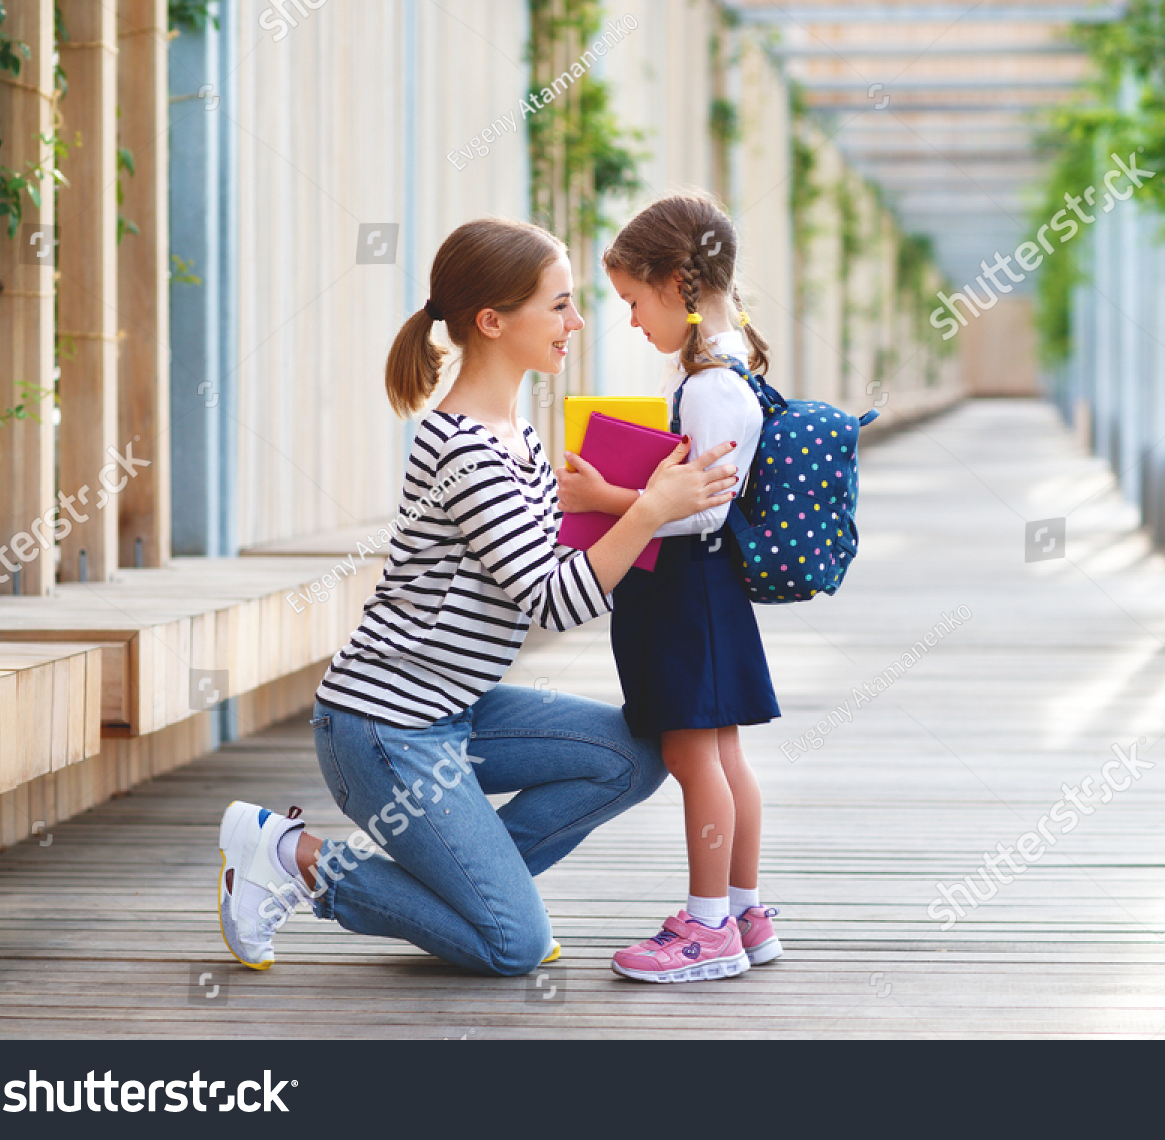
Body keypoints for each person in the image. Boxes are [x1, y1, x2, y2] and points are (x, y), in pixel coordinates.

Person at [216, 217, 740, 976]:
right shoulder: (465, 449)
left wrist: (622, 499)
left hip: (456, 711)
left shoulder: (516, 435)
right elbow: (553, 600)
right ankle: (293, 857)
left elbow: (545, 556)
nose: (578, 321)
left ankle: (471, 896)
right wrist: (652, 509)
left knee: (634, 755)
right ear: (492, 321)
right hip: (384, 729)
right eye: (558, 305)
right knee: (511, 947)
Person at [555, 192, 783, 982]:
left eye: (632, 300)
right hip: (706, 591)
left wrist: (601, 500)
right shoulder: (726, 373)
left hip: (685, 591)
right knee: (722, 757)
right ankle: (743, 911)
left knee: (696, 762)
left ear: (677, 283)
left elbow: (695, 510)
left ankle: (709, 926)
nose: (628, 320)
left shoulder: (708, 385)